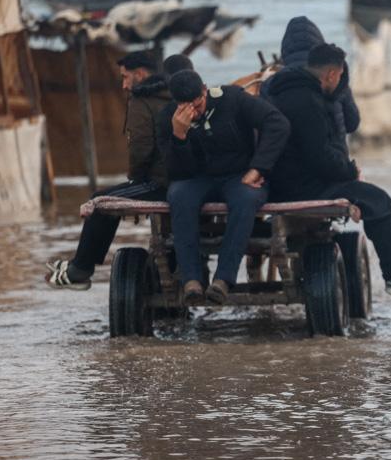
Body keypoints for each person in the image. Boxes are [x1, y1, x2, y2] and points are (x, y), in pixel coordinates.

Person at [268, 44, 391, 295]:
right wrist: (349, 171)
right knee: (371, 196)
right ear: (332, 74)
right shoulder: (306, 101)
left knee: (370, 196)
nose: (340, 82)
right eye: (340, 76)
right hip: (297, 185)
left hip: (289, 178)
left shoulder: (290, 91)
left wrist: (345, 169)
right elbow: (319, 155)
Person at [44, 52, 189, 289]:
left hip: (161, 182)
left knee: (100, 202)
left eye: (125, 77)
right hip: (188, 180)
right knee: (103, 198)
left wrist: (136, 178)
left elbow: (140, 147)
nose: (123, 85)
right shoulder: (179, 94)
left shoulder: (143, 99)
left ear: (140, 74)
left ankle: (80, 270)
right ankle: (79, 265)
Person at [159, 70, 290, 304]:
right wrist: (179, 136)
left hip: (239, 175)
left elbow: (277, 123)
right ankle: (191, 280)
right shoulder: (168, 117)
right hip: (197, 179)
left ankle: (223, 279)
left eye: (198, 104)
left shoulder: (232, 99)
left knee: (246, 199)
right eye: (186, 106)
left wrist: (258, 168)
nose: (195, 112)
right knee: (179, 196)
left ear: (204, 90)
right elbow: (176, 172)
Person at [262, 16, 359, 138]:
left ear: (285, 50)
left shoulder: (270, 83)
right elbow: (352, 124)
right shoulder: (334, 79)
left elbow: (264, 127)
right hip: (334, 149)